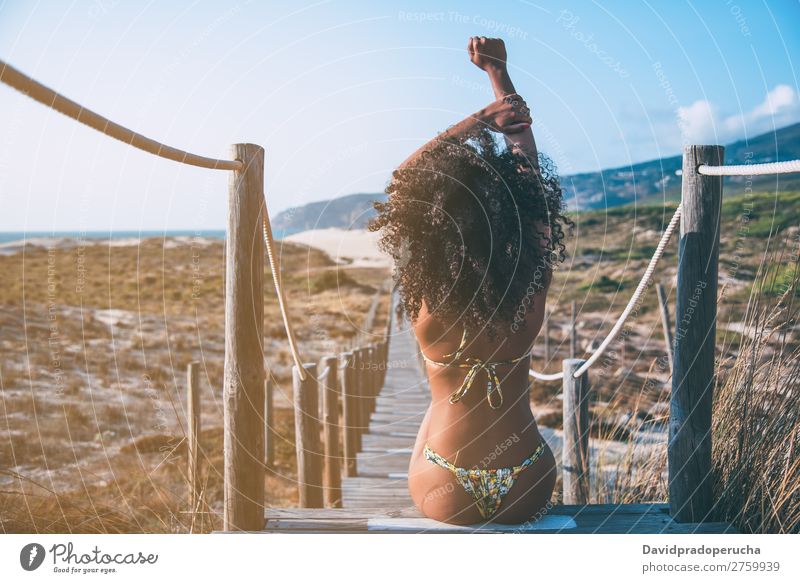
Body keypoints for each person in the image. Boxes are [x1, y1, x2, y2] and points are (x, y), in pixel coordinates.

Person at [368, 37, 574, 525]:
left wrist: (482, 117)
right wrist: (499, 74)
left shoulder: (428, 300)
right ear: (513, 220)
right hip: (529, 479)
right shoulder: (528, 288)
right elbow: (529, 178)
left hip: (446, 485)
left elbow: (404, 180)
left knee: (429, 422)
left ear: (436, 225)